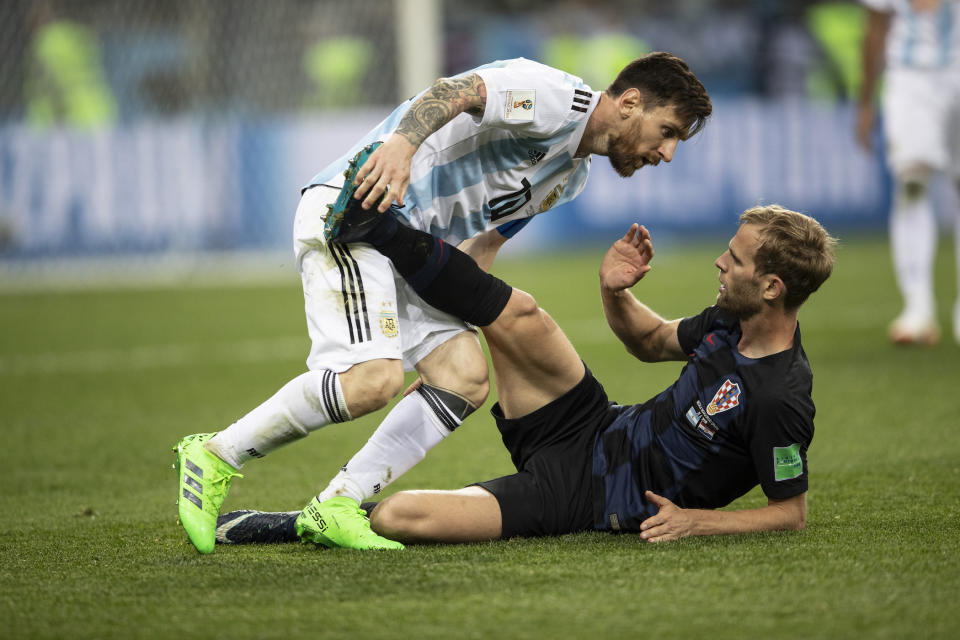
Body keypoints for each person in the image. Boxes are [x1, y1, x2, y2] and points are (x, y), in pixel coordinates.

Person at [173, 52, 713, 553]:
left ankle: (337, 502)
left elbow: (483, 246)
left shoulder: (569, 178)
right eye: (667, 133)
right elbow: (457, 90)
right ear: (630, 102)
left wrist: (446, 329)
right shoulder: (557, 97)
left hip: (404, 252)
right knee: (372, 381)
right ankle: (215, 454)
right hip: (356, 212)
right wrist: (401, 147)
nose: (665, 154)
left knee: (463, 376)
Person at [215, 203, 835, 545]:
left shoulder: (779, 396)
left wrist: (695, 521)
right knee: (521, 314)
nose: (719, 262)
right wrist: (613, 291)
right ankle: (381, 232)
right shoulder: (730, 323)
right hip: (595, 424)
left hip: (589, 498)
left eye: (735, 259)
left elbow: (791, 513)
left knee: (400, 516)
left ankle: (302, 520)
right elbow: (650, 341)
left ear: (773, 287)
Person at [856, 0, 960, 345]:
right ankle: (918, 308)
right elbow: (875, 26)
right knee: (912, 183)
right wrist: (867, 102)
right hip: (909, 78)